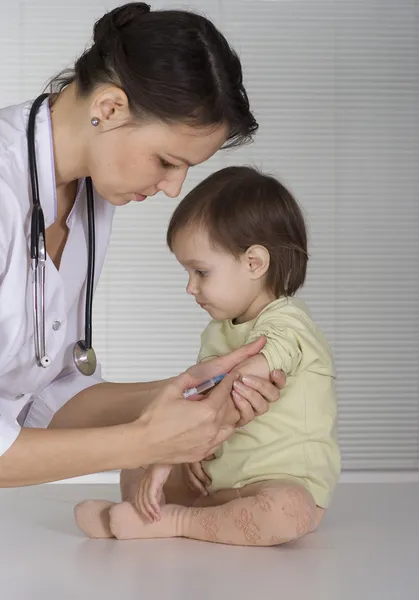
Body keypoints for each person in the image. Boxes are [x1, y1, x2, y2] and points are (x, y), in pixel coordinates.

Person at [0, 4, 286, 488]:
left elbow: (45, 400)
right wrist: (145, 442)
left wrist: (195, 390)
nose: (173, 189)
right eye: (166, 161)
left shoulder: (90, 190)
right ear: (109, 108)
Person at [74, 166, 341, 546]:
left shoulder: (288, 324)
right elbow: (197, 403)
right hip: (219, 479)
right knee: (134, 464)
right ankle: (162, 515)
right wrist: (187, 454)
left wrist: (170, 456)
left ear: (254, 263)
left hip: (279, 483)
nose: (190, 287)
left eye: (200, 272)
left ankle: (175, 521)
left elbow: (235, 391)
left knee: (289, 509)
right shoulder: (218, 332)